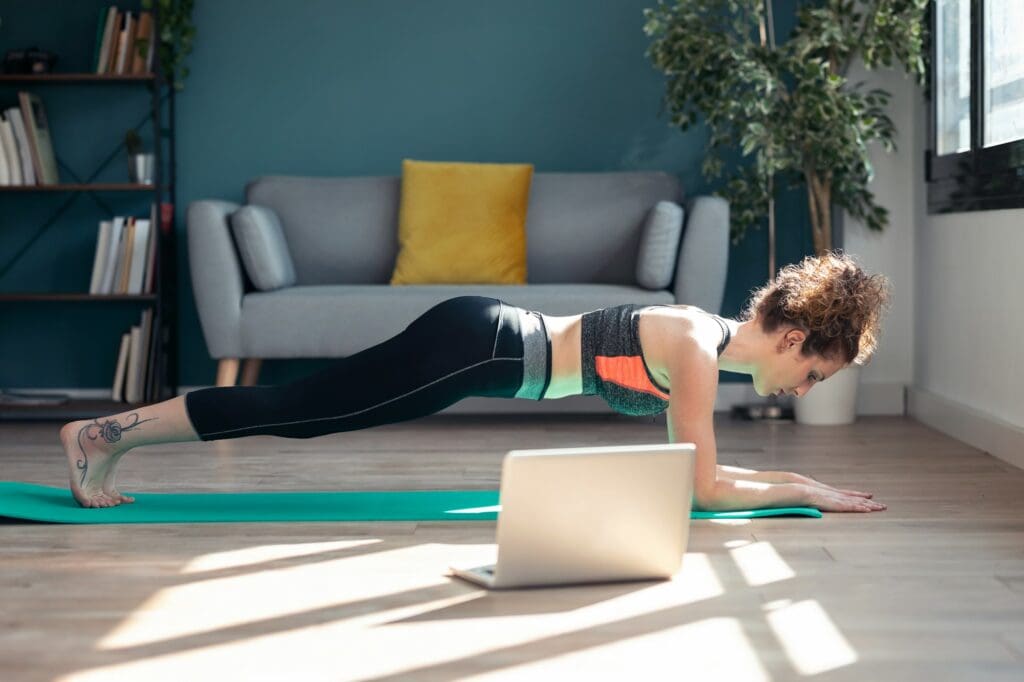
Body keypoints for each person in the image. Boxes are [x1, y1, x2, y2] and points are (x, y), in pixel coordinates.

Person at [60, 250, 891, 513]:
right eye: (812, 370)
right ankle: (102, 436)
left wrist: (795, 481)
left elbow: (693, 480)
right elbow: (701, 489)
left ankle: (107, 440)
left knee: (304, 410)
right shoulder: (697, 356)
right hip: (474, 349)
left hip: (479, 338)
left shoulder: (701, 339)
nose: (804, 387)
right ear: (790, 336)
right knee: (298, 410)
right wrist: (801, 488)